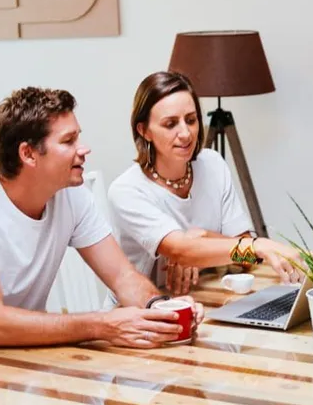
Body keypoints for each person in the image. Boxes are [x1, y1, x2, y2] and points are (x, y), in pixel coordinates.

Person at [0, 86, 204, 376]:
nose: (83, 149)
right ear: (28, 154)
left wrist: (161, 308)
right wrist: (103, 325)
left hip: (14, 354)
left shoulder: (71, 195)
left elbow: (123, 277)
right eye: (68, 141)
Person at [105, 71, 302, 303]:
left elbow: (245, 259)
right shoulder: (127, 190)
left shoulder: (213, 164)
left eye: (191, 120)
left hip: (201, 300)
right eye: (170, 124)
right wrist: (257, 245)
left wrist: (203, 239)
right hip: (140, 312)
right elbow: (182, 251)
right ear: (143, 130)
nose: (186, 133)